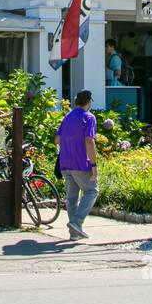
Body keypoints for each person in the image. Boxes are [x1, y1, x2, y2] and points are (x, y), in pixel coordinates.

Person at [57, 90, 98, 240]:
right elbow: (89, 141)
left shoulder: (67, 117)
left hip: (65, 162)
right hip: (80, 162)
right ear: (89, 102)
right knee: (92, 191)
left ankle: (74, 233)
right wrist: (94, 165)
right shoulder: (89, 117)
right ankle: (76, 222)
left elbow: (57, 139)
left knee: (72, 197)